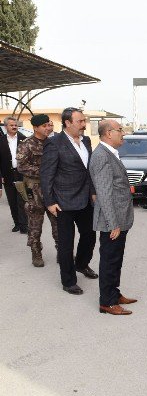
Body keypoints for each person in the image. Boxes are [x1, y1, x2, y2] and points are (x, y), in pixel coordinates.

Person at [41, 107, 98, 295]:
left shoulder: (87, 141)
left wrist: (93, 192)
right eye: (80, 121)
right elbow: (46, 175)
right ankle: (68, 281)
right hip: (63, 201)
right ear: (68, 123)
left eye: (84, 121)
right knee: (66, 244)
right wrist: (49, 201)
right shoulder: (54, 143)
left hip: (85, 199)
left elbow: (87, 170)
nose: (83, 124)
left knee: (89, 236)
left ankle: (81, 264)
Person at [89, 120, 137, 315]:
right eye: (120, 130)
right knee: (109, 260)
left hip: (120, 218)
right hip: (112, 221)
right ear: (109, 133)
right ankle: (107, 302)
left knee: (116, 259)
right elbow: (104, 193)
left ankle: (114, 293)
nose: (123, 133)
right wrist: (113, 224)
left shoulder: (110, 153)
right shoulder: (101, 156)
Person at [16, 114, 59, 267]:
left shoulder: (54, 143)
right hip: (34, 190)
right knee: (35, 225)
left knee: (59, 223)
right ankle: (36, 253)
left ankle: (62, 252)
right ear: (35, 128)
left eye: (50, 125)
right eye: (45, 126)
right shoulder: (26, 144)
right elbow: (22, 166)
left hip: (53, 190)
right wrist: (45, 171)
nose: (49, 128)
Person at [0, 116, 28, 233]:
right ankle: (17, 223)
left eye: (16, 125)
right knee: (12, 201)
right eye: (12, 125)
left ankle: (24, 225)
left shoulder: (24, 139)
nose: (14, 127)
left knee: (22, 200)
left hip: (21, 174)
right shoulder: (1, 141)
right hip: (7, 175)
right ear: (6, 127)